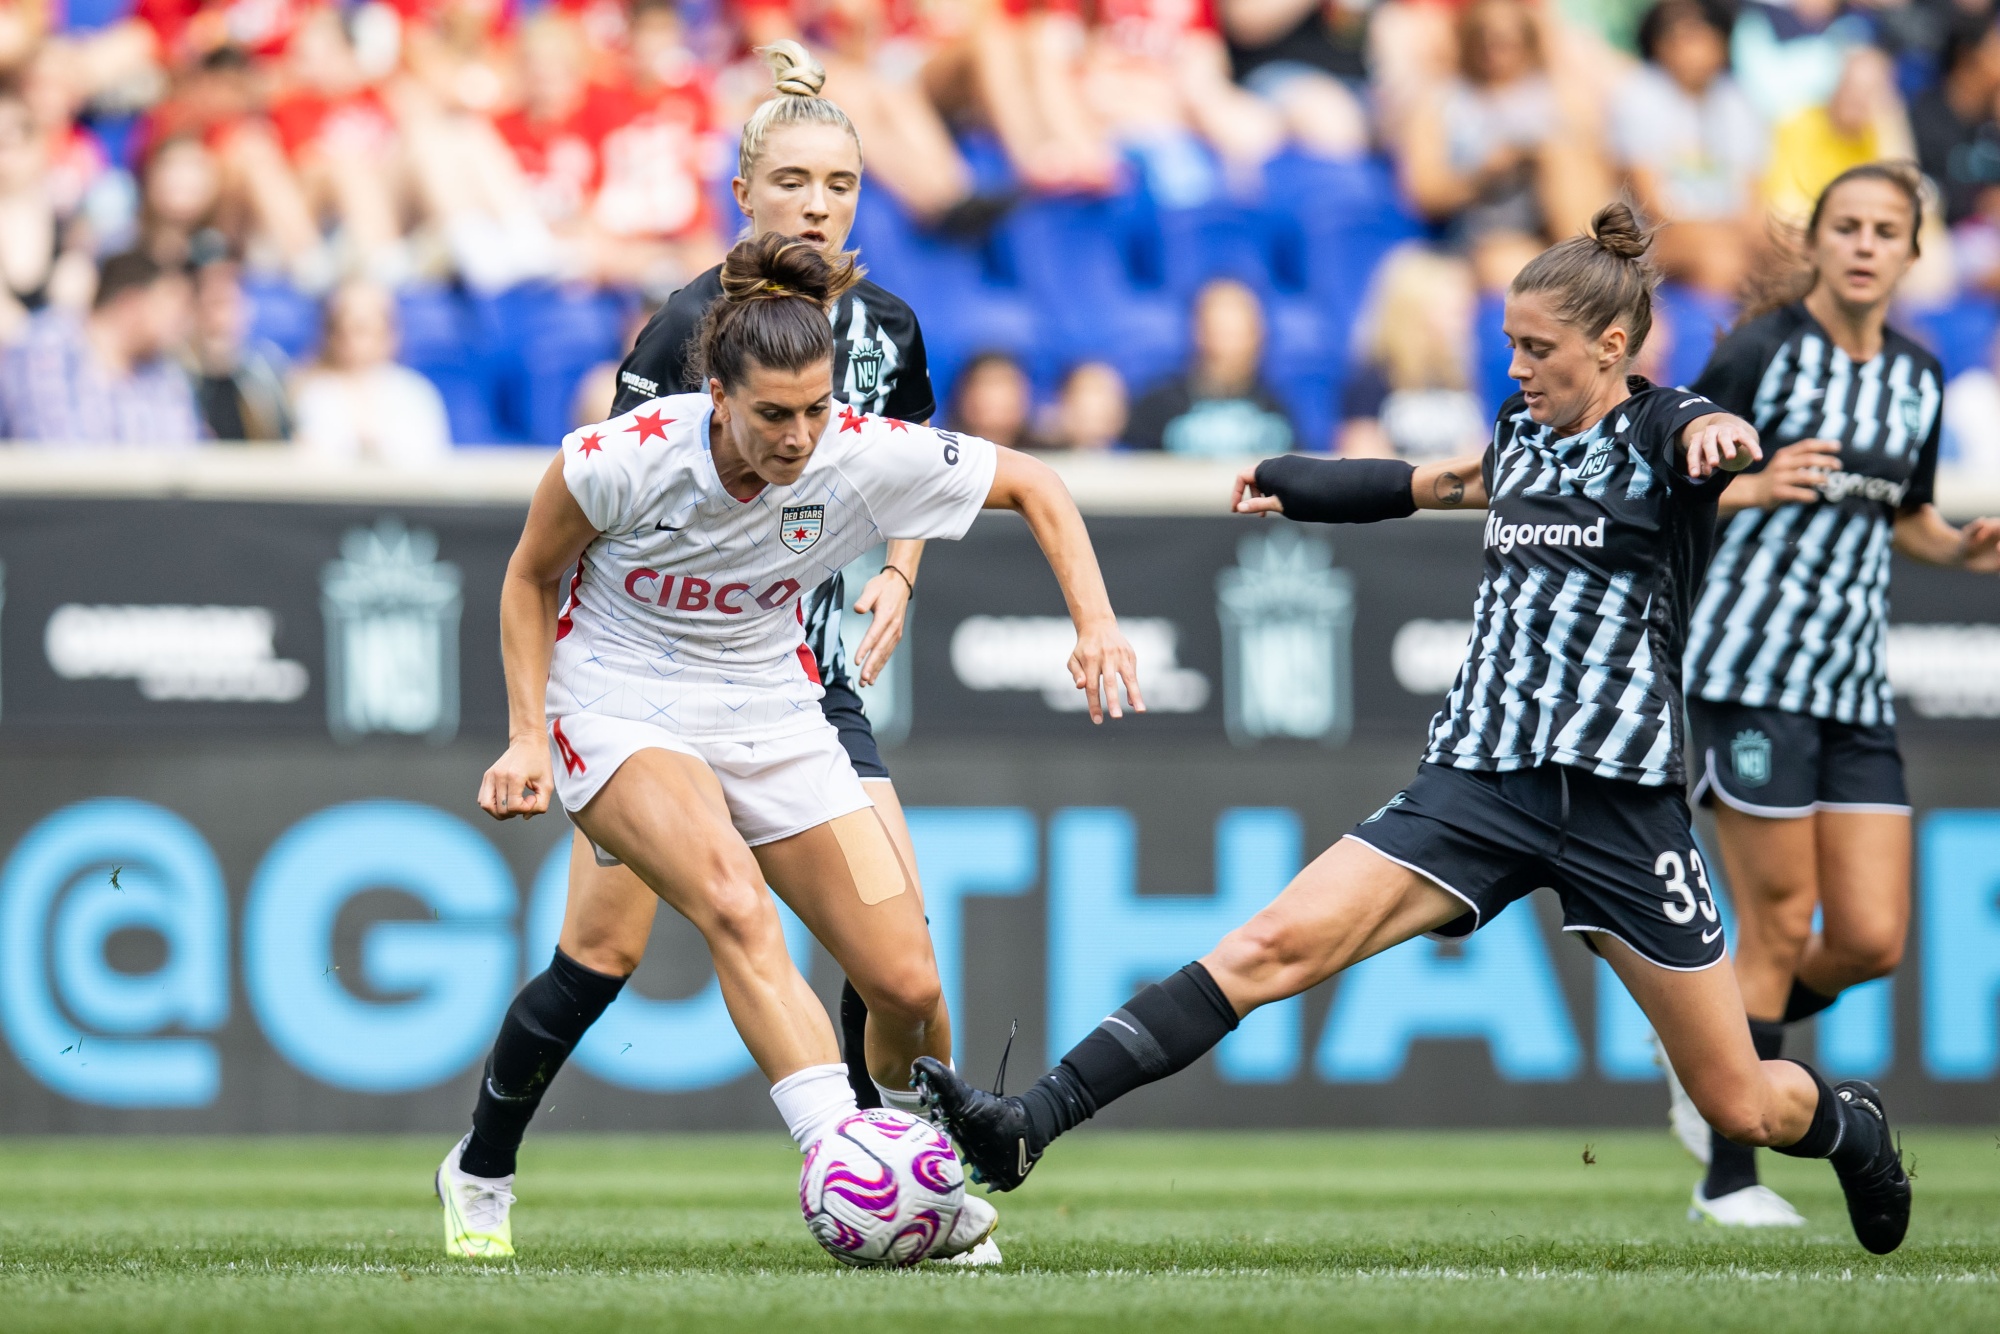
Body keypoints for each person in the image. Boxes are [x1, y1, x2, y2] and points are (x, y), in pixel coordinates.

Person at [915, 203, 1916, 1261]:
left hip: (1621, 804)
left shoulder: (1666, 432)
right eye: (1510, 346)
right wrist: (1294, 479)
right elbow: (1421, 484)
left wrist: (1722, 435)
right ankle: (1029, 1119)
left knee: (1738, 1101)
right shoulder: (1520, 436)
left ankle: (1850, 1128)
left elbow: (1708, 437)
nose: (1518, 366)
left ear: (1610, 347)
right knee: (1264, 947)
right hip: (1478, 779)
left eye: (1537, 348)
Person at [438, 230, 1144, 1261]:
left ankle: (911, 1174)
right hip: (618, 704)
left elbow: (1039, 484)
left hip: (771, 707)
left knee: (907, 983)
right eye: (773, 413)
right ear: (715, 396)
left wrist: (1095, 620)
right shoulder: (618, 459)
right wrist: (522, 735)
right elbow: (526, 576)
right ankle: (848, 1167)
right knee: (728, 898)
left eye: (815, 407)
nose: (799, 435)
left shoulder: (855, 448)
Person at [443, 39, 948, 1236]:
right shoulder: (690, 329)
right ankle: (481, 1163)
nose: (816, 205)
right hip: (650, 680)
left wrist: (900, 577)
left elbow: (921, 466)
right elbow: (599, 515)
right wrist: (557, 720)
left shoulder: (888, 325)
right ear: (745, 196)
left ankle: (904, 1188)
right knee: (599, 953)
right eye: (792, 184)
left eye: (839, 185)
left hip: (805, 684)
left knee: (900, 964)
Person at [1673, 162, 2000, 1227]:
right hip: (1748, 672)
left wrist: (1955, 545)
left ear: (1911, 253)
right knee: (1774, 919)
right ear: (1813, 242)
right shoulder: (1759, 353)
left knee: (1866, 936)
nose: (1863, 244)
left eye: (1884, 230)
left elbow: (1900, 510)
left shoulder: (1915, 370)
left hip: (1850, 681)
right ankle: (1727, 1173)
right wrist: (1748, 481)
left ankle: (1708, 1050)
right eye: (1845, 226)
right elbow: (1668, 480)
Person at [1610, 0, 1765, 297]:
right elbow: (1653, 207)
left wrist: (1747, 234)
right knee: (1721, 261)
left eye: (1698, 34)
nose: (1688, 47)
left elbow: (1751, 197)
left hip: (1727, 230)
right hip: (1651, 238)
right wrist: (1724, 234)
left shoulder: (1737, 101)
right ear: (1657, 43)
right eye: (1676, 35)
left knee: (1793, 249)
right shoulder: (1639, 94)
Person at [0, 249, 199, 446]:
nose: (182, 320)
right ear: (130, 304)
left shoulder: (164, 372)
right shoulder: (48, 344)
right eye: (170, 303)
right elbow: (53, 451)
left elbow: (185, 451)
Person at [1336, 245, 1485, 460]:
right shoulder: (1372, 380)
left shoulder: (1459, 378)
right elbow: (1361, 461)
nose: (1468, 319)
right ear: (1414, 309)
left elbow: (1477, 456)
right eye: (1456, 312)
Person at [290, 280, 452, 464]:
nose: (349, 338)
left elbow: (430, 465)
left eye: (361, 328)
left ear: (388, 331)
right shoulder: (314, 393)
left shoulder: (415, 393)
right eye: (339, 326)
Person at [1128, 278, 1295, 456]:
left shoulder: (1277, 409)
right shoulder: (1158, 406)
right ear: (1198, 332)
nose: (1230, 345)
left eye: (1239, 331)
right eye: (1222, 330)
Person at [185, 243, 293, 441]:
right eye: (207, 305)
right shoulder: (175, 379)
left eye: (224, 304)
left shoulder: (266, 373)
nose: (217, 320)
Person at [948, 350, 1033, 449]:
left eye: (1005, 382)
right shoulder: (941, 453)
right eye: (989, 383)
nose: (997, 396)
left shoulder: (1046, 454)